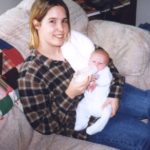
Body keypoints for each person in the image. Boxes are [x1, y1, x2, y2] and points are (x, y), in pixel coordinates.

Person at [17, 0, 150, 150]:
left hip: (108, 92)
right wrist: (70, 94)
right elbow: (43, 125)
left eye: (64, 21)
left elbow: (109, 66)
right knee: (145, 137)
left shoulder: (76, 42)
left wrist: (114, 94)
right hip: (90, 119)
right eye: (52, 21)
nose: (61, 29)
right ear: (37, 24)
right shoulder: (31, 73)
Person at [74, 48, 113, 135]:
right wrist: (78, 75)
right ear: (89, 61)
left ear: (106, 65)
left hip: (102, 103)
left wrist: (96, 81)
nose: (96, 65)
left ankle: (98, 126)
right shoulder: (87, 69)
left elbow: (107, 81)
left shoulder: (105, 71)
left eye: (100, 63)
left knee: (108, 110)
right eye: (94, 61)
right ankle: (81, 123)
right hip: (89, 101)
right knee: (81, 106)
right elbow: (79, 77)